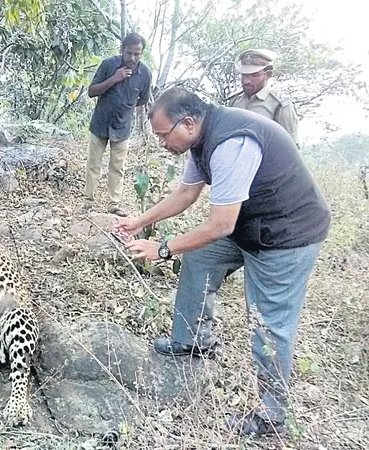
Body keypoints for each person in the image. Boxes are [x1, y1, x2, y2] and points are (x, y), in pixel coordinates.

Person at [113, 87, 330, 436]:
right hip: (250, 223)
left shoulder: (232, 143)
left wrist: (164, 248)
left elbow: (220, 224)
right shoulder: (201, 139)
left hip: (287, 234)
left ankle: (274, 417)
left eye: (162, 135)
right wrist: (138, 221)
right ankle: (192, 341)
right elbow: (185, 193)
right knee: (199, 257)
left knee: (268, 322)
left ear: (186, 123)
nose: (161, 143)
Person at [84, 32, 152, 217]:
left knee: (117, 167)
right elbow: (92, 91)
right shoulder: (108, 64)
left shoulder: (145, 73)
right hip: (100, 123)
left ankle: (113, 205)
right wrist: (115, 78)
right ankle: (88, 202)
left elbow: (143, 99)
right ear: (122, 50)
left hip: (123, 127)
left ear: (141, 53)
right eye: (129, 53)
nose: (132, 58)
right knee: (93, 164)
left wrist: (126, 108)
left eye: (137, 54)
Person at [229, 49, 300, 147]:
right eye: (244, 75)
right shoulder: (235, 100)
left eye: (254, 75)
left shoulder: (280, 105)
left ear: (268, 74)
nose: (247, 81)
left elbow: (291, 148)